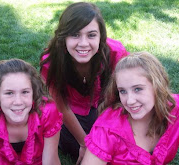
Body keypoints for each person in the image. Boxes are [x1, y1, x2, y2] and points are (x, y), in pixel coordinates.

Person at [40, 2, 128, 164]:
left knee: (115, 147)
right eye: (75, 35)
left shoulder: (115, 53)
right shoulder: (51, 62)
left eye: (91, 35)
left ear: (101, 36)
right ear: (63, 36)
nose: (83, 43)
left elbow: (125, 96)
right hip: (72, 112)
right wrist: (84, 143)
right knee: (74, 146)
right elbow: (61, 106)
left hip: (106, 107)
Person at [81, 52, 179, 165]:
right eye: (123, 91)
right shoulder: (108, 130)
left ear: (157, 86)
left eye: (137, 89)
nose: (130, 101)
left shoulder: (177, 109)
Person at [0, 59, 62, 165]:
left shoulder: (48, 113)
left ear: (34, 92)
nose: (18, 102)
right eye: (9, 93)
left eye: (25, 92)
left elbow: (50, 161)